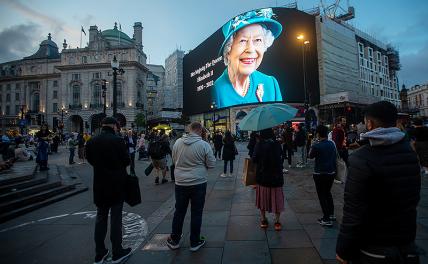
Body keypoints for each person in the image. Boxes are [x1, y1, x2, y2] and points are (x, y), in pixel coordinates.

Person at [336, 101, 421, 264]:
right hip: (407, 242)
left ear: (369, 123)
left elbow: (354, 211)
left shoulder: (361, 159)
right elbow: (413, 198)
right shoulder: (410, 154)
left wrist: (343, 249)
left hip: (374, 248)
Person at [212, 8, 283, 108]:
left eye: (257, 40)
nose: (250, 49)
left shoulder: (271, 84)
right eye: (243, 40)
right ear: (228, 51)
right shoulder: (217, 90)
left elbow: (279, 121)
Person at [85, 117, 132, 264]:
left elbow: (90, 159)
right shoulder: (117, 140)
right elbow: (126, 161)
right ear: (113, 126)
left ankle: (100, 253)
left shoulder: (92, 141)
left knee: (101, 218)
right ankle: (117, 251)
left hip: (99, 184)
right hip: (117, 184)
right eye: (117, 126)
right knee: (116, 218)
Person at [166, 122, 216, 252]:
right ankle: (194, 242)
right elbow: (212, 164)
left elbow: (173, 160)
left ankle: (174, 239)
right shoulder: (204, 145)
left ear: (190, 130)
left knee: (179, 211)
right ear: (200, 131)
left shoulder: (177, 143)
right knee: (196, 212)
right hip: (198, 182)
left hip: (181, 182)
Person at [252, 128, 284, 231]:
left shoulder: (259, 145)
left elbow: (254, 159)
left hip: (263, 177)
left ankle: (263, 219)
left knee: (263, 199)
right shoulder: (277, 144)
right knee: (277, 199)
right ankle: (277, 221)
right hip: (276, 177)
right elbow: (281, 156)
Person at [308, 125, 337, 227]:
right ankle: (331, 214)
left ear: (318, 134)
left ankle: (326, 218)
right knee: (328, 193)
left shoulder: (317, 145)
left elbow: (310, 156)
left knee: (322, 195)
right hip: (331, 173)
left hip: (320, 173)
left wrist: (312, 145)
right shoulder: (332, 144)